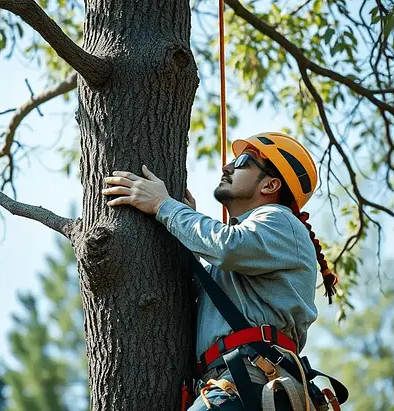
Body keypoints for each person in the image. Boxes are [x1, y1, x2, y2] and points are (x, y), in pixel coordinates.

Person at [101, 132, 338, 410]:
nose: (227, 167)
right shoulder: (248, 257)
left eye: (243, 161)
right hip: (229, 382)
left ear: (271, 184)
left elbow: (227, 245)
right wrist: (183, 229)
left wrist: (164, 206)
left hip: (249, 376)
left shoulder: (280, 220)